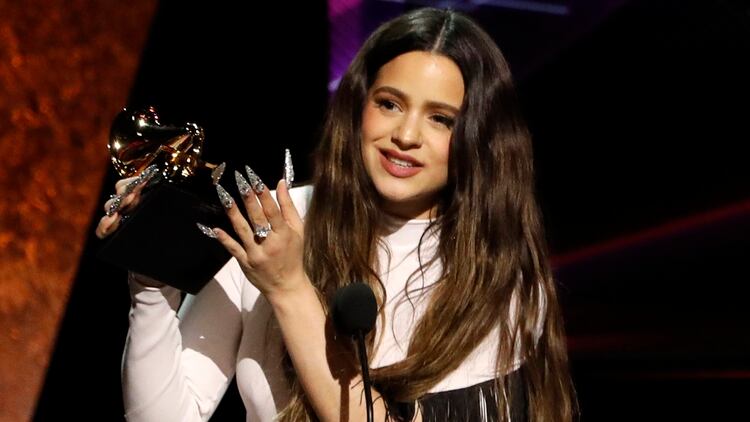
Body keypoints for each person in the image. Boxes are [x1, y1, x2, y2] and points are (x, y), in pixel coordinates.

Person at [96, 7, 576, 421]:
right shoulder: (277, 221)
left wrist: (287, 286)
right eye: (389, 104)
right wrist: (152, 281)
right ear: (358, 106)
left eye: (440, 119)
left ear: (480, 136)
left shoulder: (499, 276)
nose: (406, 135)